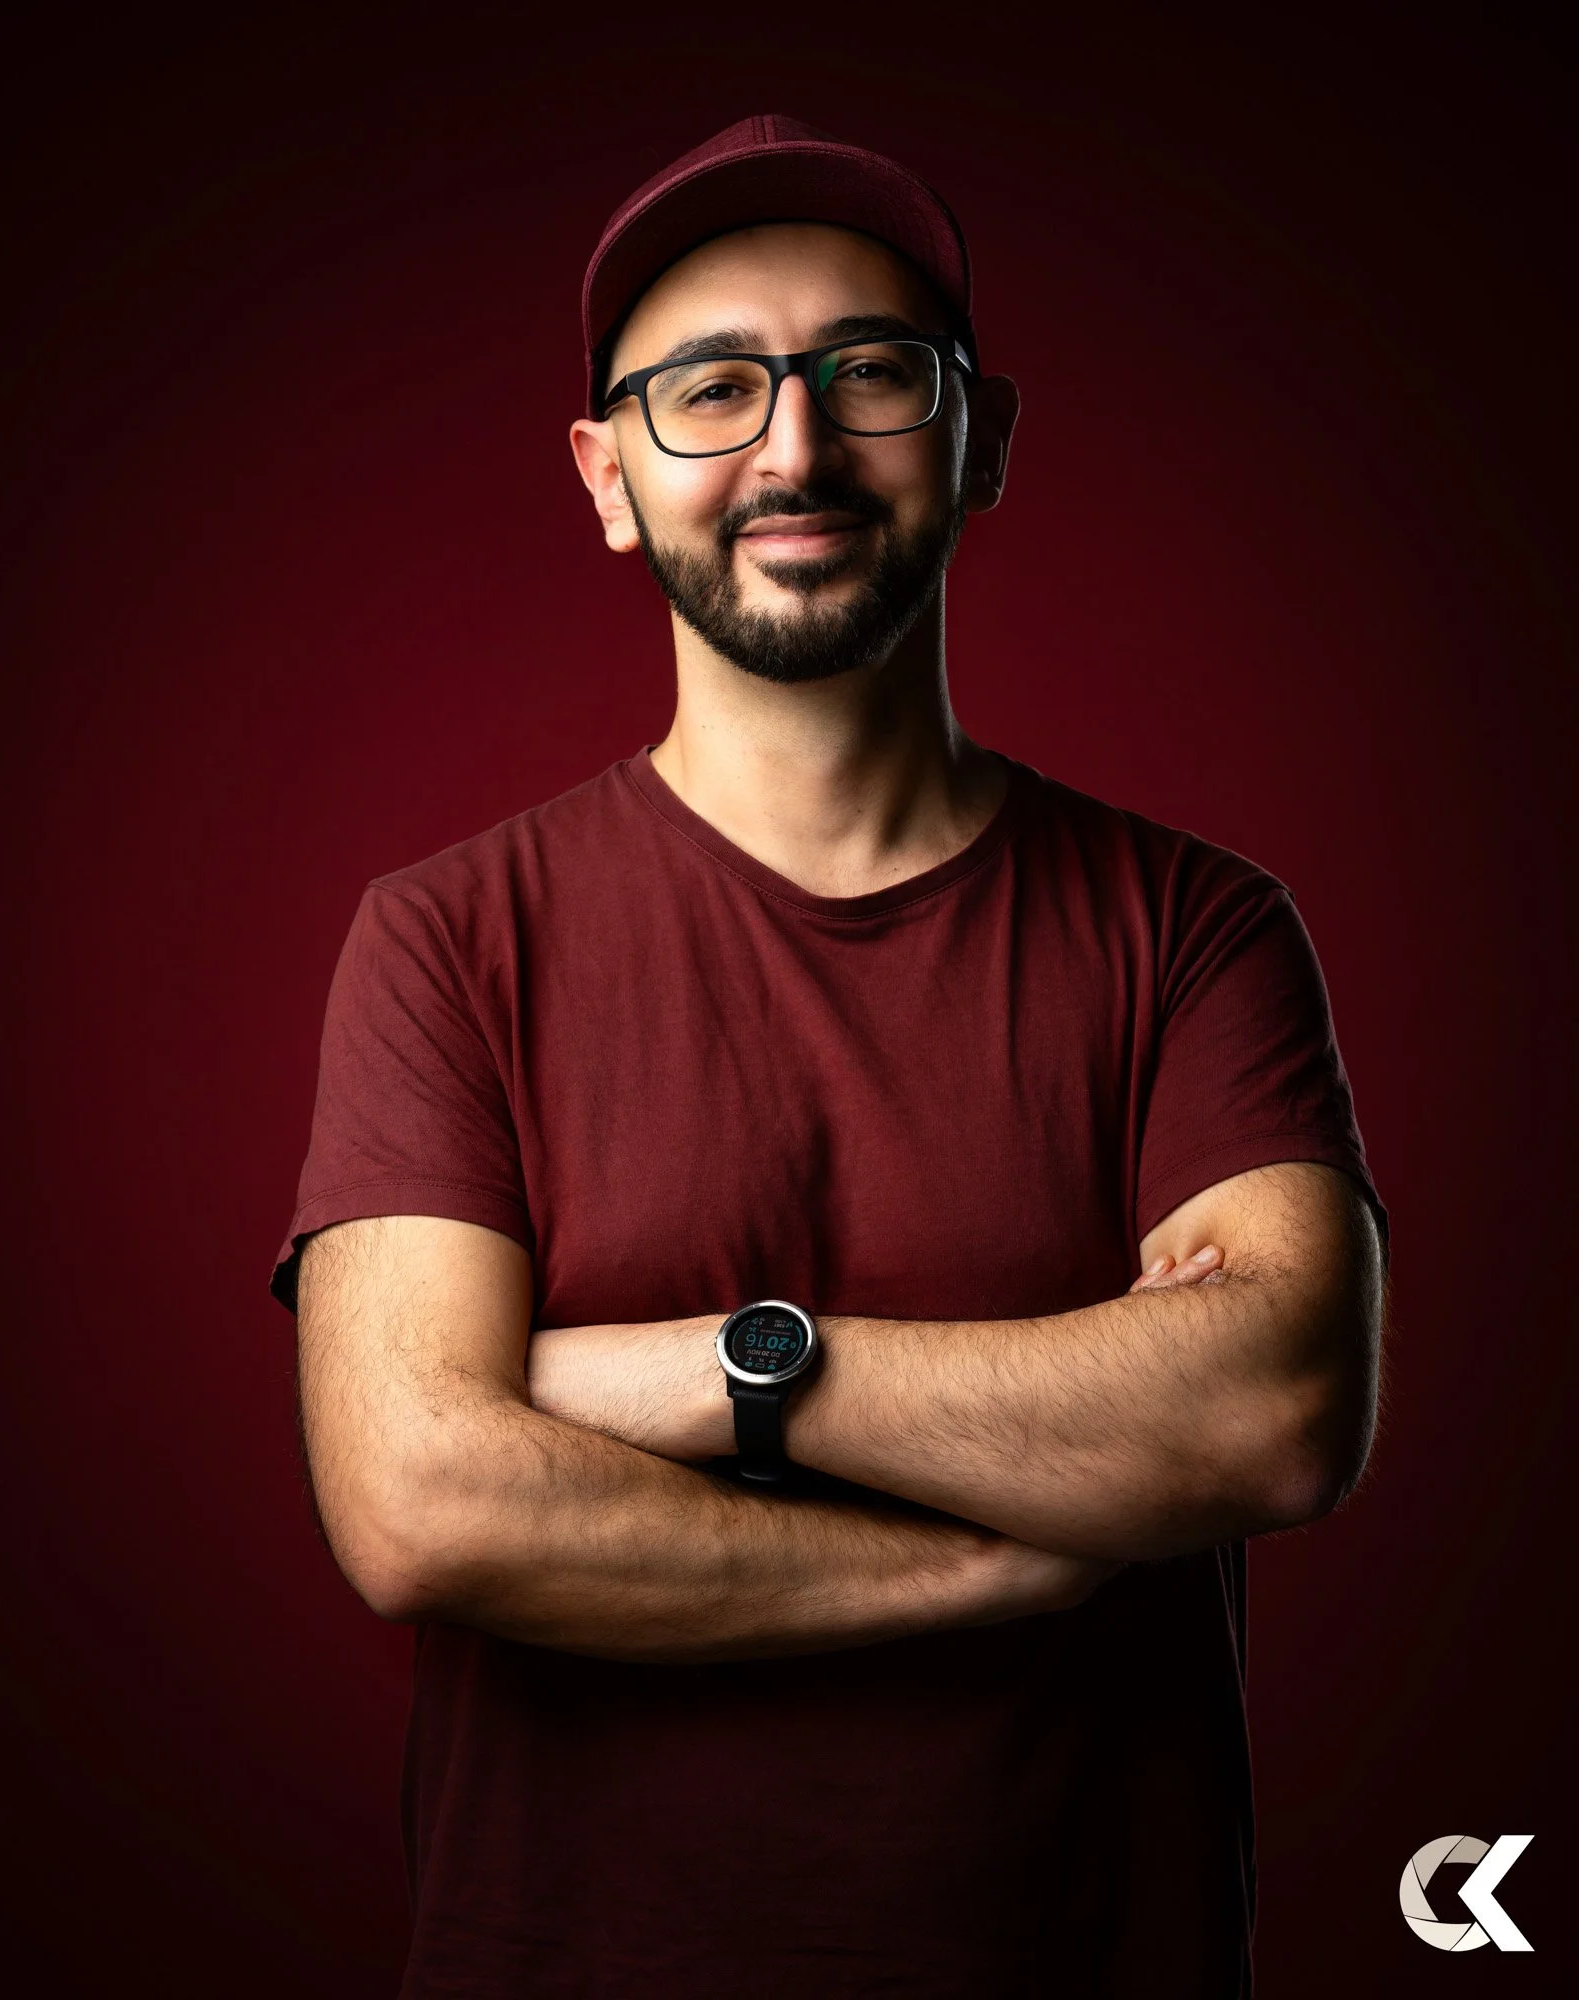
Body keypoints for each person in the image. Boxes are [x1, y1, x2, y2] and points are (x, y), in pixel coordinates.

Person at [274, 115, 1389, 1999]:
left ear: (984, 438)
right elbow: (418, 1500)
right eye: (711, 388)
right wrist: (995, 1555)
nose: (793, 446)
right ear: (608, 476)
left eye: (870, 371)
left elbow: (1274, 1410)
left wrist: (699, 1375)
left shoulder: (1199, 930)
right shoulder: (450, 939)